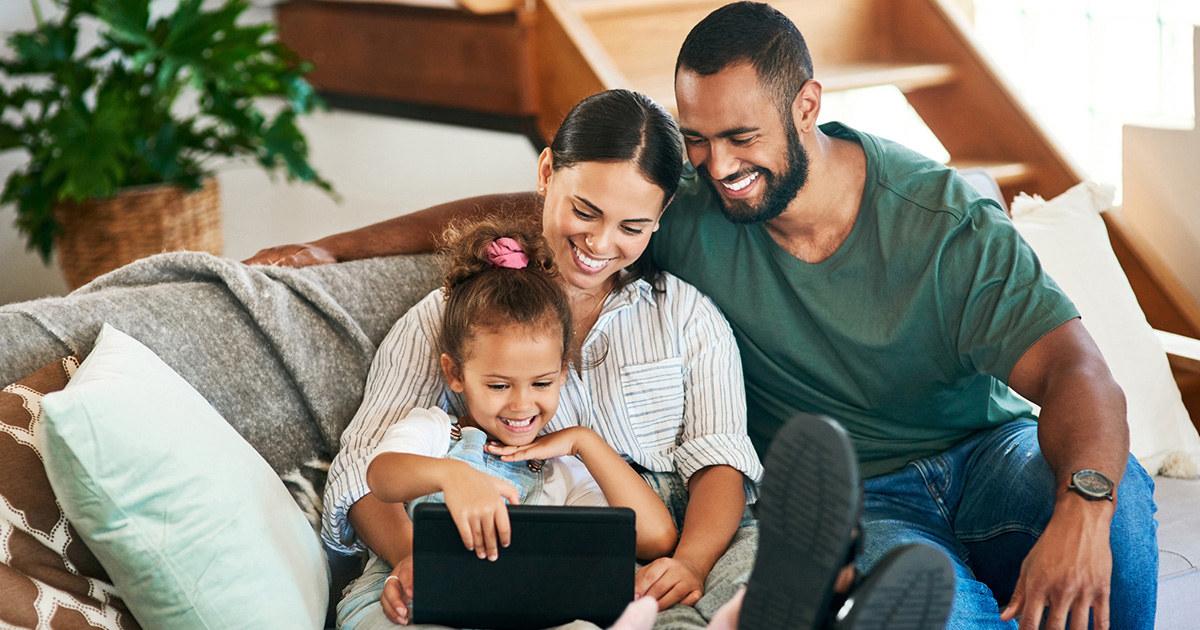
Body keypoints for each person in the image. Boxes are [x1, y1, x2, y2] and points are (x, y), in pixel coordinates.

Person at [249, 3, 1159, 629]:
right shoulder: (686, 213)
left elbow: (1081, 376)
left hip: (981, 451)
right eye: (698, 142)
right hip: (854, 490)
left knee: (1117, 508)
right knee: (908, 591)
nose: (718, 169)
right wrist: (334, 249)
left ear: (808, 107)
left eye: (741, 139)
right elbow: (543, 213)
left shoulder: (939, 221)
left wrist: (1081, 510)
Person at [318, 89, 768, 630]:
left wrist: (692, 561)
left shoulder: (686, 317)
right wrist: (416, 556)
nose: (600, 244)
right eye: (585, 211)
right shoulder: (450, 316)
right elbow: (364, 473)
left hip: (644, 541)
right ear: (547, 171)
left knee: (751, 576)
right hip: (439, 542)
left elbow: (719, 462)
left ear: (661, 214)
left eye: (632, 228)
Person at [356, 218, 679, 625]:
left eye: (542, 382)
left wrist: (585, 442)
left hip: (517, 608)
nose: (521, 404)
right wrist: (452, 476)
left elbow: (656, 538)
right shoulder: (437, 432)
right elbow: (380, 476)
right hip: (407, 599)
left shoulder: (563, 471)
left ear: (563, 372)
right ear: (454, 374)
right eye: (498, 385)